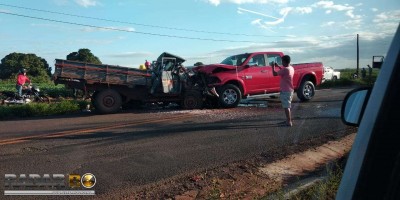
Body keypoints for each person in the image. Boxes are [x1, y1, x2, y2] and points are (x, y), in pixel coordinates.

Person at [272, 55, 294, 127]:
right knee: (288, 105)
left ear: (284, 61)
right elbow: (283, 70)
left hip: (285, 90)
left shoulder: (285, 70)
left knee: (286, 106)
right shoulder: (291, 68)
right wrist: (278, 66)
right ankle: (288, 120)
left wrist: (273, 67)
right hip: (290, 90)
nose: (282, 62)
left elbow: (274, 74)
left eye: (282, 61)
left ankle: (289, 121)